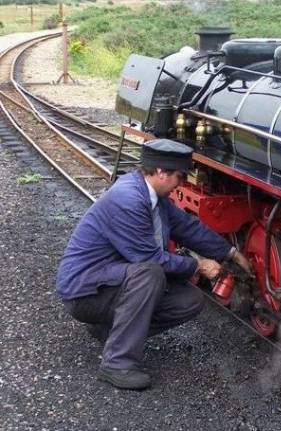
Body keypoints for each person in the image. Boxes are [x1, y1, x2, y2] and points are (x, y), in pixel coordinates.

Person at [56, 139, 251, 390]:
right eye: (180, 177)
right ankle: (117, 364)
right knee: (150, 273)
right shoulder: (128, 198)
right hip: (85, 290)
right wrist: (198, 266)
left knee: (190, 300)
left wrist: (231, 253)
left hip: (111, 283)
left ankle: (110, 333)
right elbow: (149, 259)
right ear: (161, 172)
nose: (181, 184)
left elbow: (188, 228)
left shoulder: (154, 198)